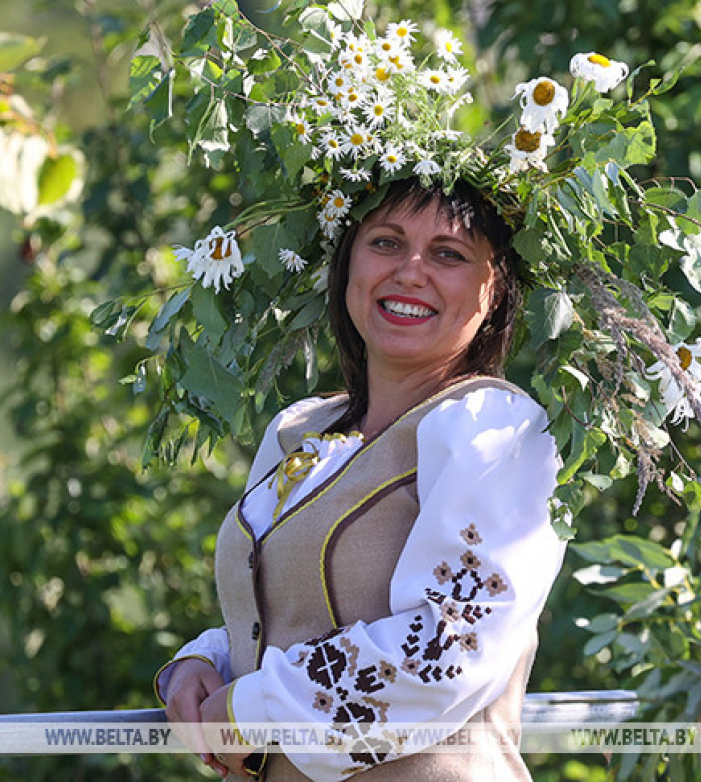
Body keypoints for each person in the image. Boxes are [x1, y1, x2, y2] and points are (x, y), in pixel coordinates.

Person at [155, 178, 565, 780]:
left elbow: (450, 648)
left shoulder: (494, 429)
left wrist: (256, 708)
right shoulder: (301, 429)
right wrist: (206, 663)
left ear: (497, 291)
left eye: (449, 254)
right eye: (386, 242)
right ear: (348, 264)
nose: (411, 271)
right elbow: (290, 612)